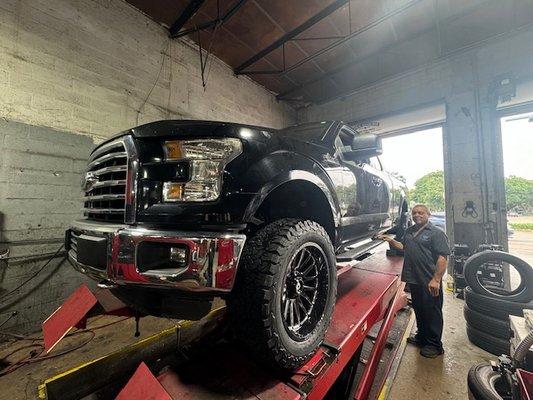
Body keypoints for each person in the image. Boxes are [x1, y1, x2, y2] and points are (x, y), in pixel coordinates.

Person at [378, 204, 450, 358]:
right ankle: (422, 337)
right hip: (414, 279)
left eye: (421, 213)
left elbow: (443, 257)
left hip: (429, 280)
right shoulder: (410, 231)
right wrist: (391, 241)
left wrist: (436, 279)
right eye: (414, 213)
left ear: (428, 214)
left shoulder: (436, 233)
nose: (417, 215)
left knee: (432, 312)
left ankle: (434, 345)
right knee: (419, 309)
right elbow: (404, 247)